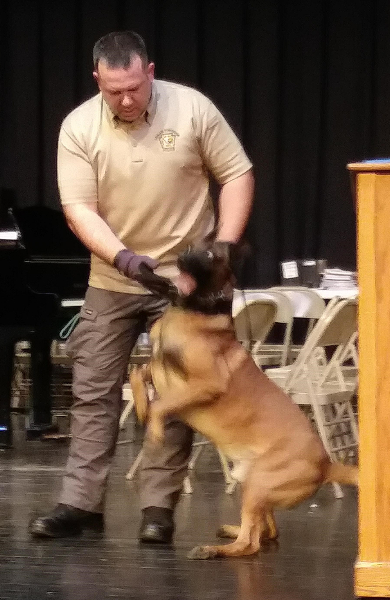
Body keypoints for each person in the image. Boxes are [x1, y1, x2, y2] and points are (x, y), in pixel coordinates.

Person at [28, 30, 254, 543]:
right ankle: (81, 505)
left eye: (134, 87)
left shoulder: (192, 109)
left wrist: (219, 254)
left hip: (185, 283)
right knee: (91, 390)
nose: (126, 100)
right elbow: (79, 208)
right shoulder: (78, 127)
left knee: (173, 392)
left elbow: (237, 174)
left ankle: (158, 509)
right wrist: (124, 259)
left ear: (150, 72)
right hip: (114, 278)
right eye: (114, 91)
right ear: (97, 82)